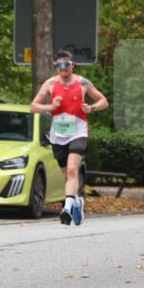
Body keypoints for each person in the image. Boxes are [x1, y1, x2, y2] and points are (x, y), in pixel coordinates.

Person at [29, 50, 109, 225]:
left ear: (73, 65)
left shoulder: (83, 83)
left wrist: (91, 108)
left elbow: (104, 101)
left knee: (73, 170)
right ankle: (77, 203)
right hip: (58, 136)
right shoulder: (50, 84)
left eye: (65, 64)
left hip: (78, 132)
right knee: (67, 176)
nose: (62, 68)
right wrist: (51, 107)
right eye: (58, 65)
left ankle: (66, 209)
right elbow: (33, 107)